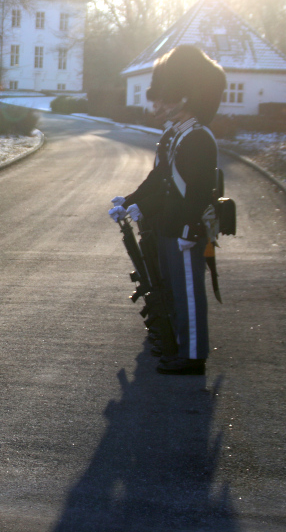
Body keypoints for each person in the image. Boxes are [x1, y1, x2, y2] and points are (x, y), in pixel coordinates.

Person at [108, 45, 226, 375]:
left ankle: (192, 356)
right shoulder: (177, 135)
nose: (158, 105)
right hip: (171, 226)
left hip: (186, 229)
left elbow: (196, 193)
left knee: (189, 293)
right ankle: (180, 345)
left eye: (165, 97)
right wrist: (132, 202)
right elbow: (161, 181)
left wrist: (189, 230)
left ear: (184, 97)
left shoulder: (198, 138)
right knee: (174, 290)